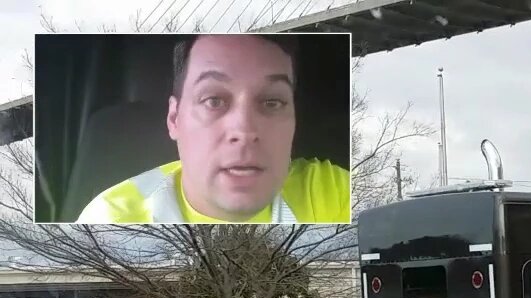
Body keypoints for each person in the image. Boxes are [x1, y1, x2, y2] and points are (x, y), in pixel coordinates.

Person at [76, 34, 350, 224]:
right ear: (174, 119)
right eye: (214, 101)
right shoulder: (109, 217)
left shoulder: (333, 191)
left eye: (272, 101)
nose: (244, 130)